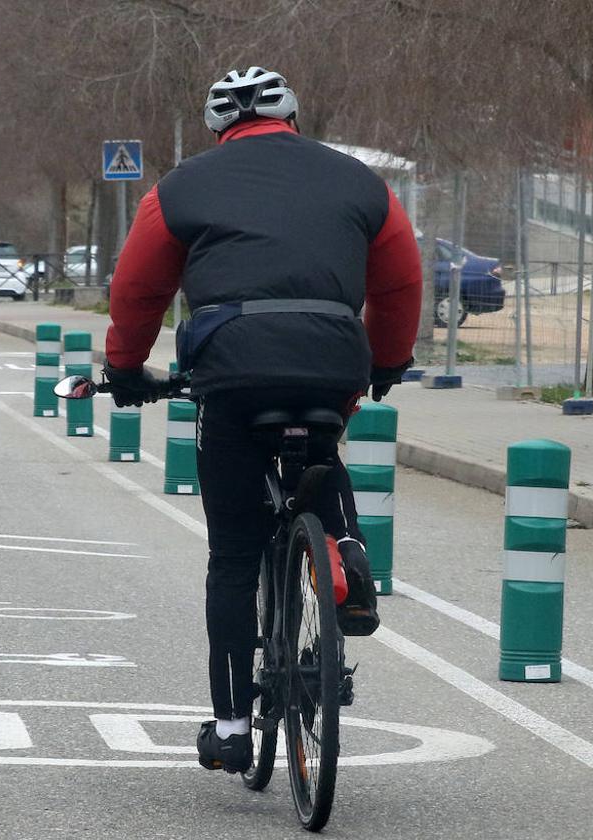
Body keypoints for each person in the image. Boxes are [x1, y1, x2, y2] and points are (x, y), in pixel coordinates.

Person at [102, 67, 422, 774]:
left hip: (233, 368)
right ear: (295, 119)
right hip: (334, 355)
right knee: (322, 445)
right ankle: (347, 549)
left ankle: (230, 727)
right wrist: (389, 360)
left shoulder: (181, 187)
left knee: (234, 557)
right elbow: (398, 279)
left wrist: (125, 369)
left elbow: (139, 287)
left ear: (219, 127)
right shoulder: (362, 183)